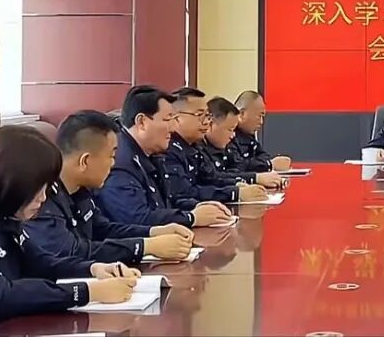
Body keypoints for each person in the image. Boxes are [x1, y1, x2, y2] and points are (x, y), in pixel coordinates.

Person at [0, 126, 140, 329]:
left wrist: (93, 270)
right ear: (13, 182)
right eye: (38, 189)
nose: (43, 198)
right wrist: (86, 292)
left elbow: (40, 262)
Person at [26, 110, 196, 265]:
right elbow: (72, 252)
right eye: (111, 155)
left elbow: (103, 229)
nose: (114, 163)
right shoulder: (41, 198)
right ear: (85, 161)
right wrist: (145, 246)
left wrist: (155, 232)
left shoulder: (81, 189)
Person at [97, 85, 233, 228]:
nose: (173, 128)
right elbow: (137, 218)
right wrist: (191, 217)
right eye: (167, 120)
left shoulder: (150, 154)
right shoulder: (120, 162)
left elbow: (167, 202)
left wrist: (197, 206)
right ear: (142, 122)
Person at [163, 88, 273, 204]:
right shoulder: (168, 150)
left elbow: (212, 177)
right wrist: (234, 193)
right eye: (200, 115)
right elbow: (185, 193)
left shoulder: (193, 147)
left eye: (207, 115)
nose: (206, 122)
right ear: (176, 117)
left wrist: (237, 184)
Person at [229, 91, 291, 173]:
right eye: (259, 116)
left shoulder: (248, 136)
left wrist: (271, 162)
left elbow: (263, 155)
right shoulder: (228, 135)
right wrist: (269, 164)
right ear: (242, 114)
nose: (261, 122)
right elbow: (237, 165)